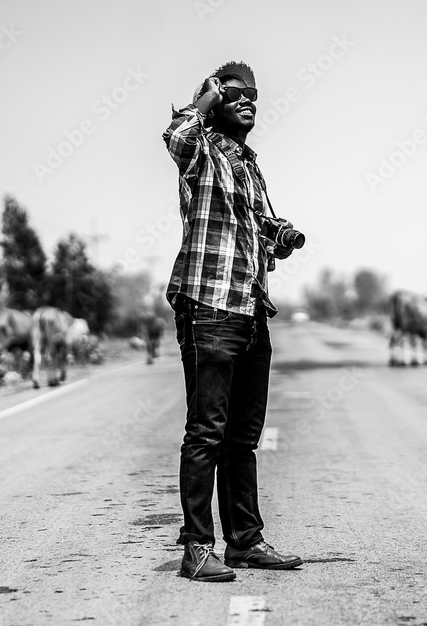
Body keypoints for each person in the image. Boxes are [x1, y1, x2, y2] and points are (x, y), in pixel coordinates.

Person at [162, 60, 302, 582]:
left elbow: (259, 232)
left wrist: (278, 237)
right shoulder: (202, 153)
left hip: (250, 308)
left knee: (243, 437)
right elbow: (175, 136)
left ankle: (244, 541)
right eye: (236, 92)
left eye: (255, 95)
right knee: (207, 432)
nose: (249, 101)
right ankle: (197, 548)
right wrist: (203, 98)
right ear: (216, 99)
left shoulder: (248, 163)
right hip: (209, 307)